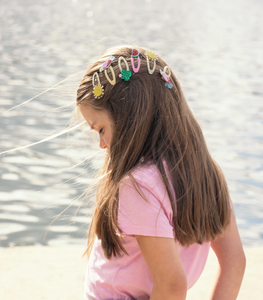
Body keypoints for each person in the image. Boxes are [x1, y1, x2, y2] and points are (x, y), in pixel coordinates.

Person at [76, 45, 246, 300]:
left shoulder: (139, 186)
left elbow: (171, 285)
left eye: (100, 129)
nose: (101, 144)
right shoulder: (206, 171)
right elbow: (235, 262)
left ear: (129, 122)